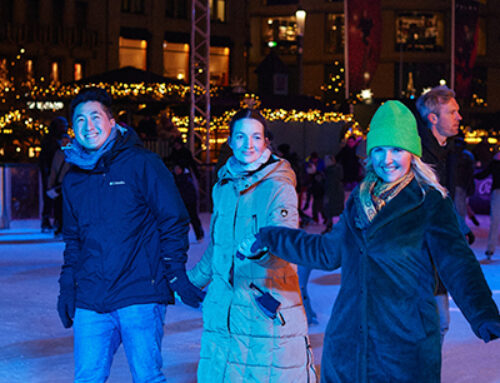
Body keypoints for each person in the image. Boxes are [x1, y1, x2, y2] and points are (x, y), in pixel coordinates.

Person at [238, 101, 500, 383]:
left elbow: (458, 264)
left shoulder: (429, 202)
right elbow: (327, 252)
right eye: (379, 150)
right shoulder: (357, 202)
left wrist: (485, 314)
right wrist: (271, 237)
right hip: (348, 350)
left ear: (412, 153)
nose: (387, 159)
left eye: (397, 149)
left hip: (404, 351)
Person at [56, 88, 205, 383]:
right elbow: (73, 241)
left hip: (140, 294)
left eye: (95, 117)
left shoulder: (142, 164)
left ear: (112, 121)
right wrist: (67, 286)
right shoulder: (73, 179)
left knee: (147, 377)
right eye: (80, 120)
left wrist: (175, 274)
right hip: (91, 298)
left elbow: (173, 220)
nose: (88, 127)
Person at [187, 109, 317, 382]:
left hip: (262, 308)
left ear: (266, 142)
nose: (248, 145)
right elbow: (218, 247)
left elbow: (283, 239)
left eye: (256, 137)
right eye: (241, 137)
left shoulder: (278, 186)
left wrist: (259, 246)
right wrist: (189, 282)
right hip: (225, 308)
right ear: (231, 142)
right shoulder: (223, 186)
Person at [416, 85, 475, 345]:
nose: (459, 117)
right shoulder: (416, 155)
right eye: (452, 112)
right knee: (431, 324)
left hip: (439, 254)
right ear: (433, 118)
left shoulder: (452, 152)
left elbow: (448, 201)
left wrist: (459, 229)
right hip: (417, 255)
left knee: (440, 323)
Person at [39, 116, 68, 232]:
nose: (65, 128)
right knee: (51, 197)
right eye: (63, 126)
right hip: (52, 173)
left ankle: (54, 221)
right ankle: (49, 220)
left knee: (56, 198)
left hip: (56, 173)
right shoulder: (51, 142)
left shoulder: (56, 141)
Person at [475, 149, 500, 260]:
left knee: (495, 221)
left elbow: (484, 173)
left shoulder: (495, 161)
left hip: (497, 192)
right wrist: (473, 175)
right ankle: (490, 249)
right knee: (495, 221)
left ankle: (490, 249)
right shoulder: (495, 161)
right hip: (497, 192)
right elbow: (484, 173)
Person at [46, 133, 71, 236]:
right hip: (60, 183)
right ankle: (60, 226)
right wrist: (50, 184)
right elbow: (53, 170)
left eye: (67, 141)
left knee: (67, 207)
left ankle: (65, 228)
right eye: (63, 141)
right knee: (59, 207)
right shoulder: (58, 154)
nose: (65, 143)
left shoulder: (73, 153)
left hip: (69, 184)